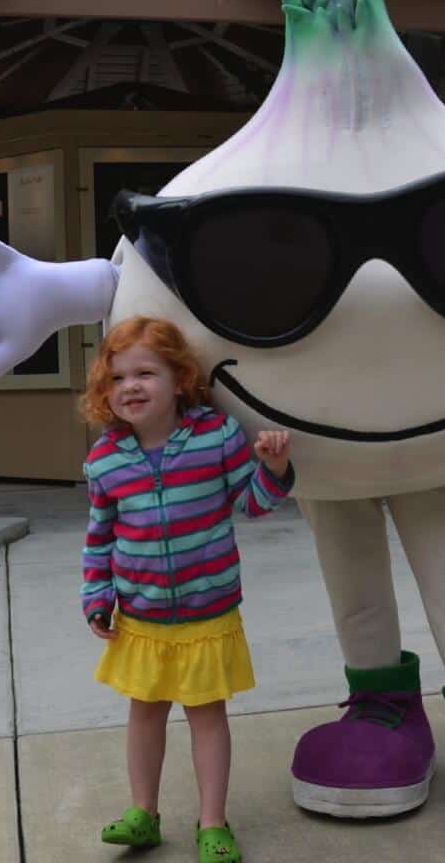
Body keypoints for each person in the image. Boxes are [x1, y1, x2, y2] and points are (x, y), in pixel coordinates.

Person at [79, 316, 293, 860]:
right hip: (143, 617)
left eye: (146, 372)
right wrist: (97, 594)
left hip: (208, 611)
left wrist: (274, 468)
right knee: (144, 715)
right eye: (117, 377)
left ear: (179, 379)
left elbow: (251, 503)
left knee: (207, 716)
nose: (131, 386)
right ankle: (143, 814)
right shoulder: (106, 460)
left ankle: (213, 823)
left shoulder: (214, 436)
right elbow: (99, 537)